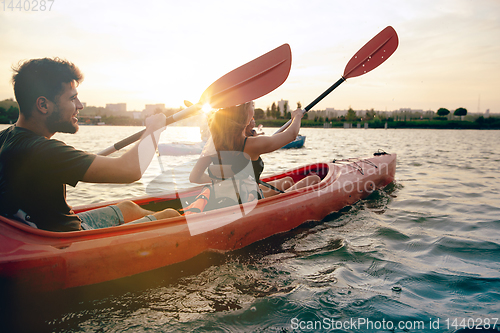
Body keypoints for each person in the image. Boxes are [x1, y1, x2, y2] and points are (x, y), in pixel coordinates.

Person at [0, 57, 180, 232]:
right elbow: (130, 170)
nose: (80, 106)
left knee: (128, 208)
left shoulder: (7, 137)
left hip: (54, 225)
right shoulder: (42, 151)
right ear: (43, 105)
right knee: (171, 215)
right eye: (72, 99)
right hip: (67, 240)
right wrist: (154, 129)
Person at [189, 101, 320, 199]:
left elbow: (194, 177)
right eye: (252, 105)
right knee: (313, 179)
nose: (254, 108)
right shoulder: (251, 145)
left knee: (289, 181)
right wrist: (297, 116)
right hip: (249, 201)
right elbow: (292, 134)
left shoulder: (216, 143)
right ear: (244, 113)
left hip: (228, 197)